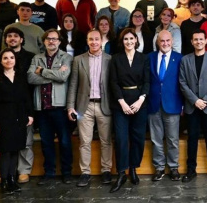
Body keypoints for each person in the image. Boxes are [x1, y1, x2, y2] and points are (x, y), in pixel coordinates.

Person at [67, 29, 114, 188]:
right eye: (91, 39)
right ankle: (85, 172)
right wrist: (70, 107)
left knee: (106, 141)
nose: (94, 42)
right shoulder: (78, 60)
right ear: (87, 41)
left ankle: (106, 170)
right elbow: (73, 85)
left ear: (102, 41)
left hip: (104, 105)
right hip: (83, 107)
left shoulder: (110, 59)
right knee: (84, 142)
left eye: (96, 39)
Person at [27, 29, 73, 185]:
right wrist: (53, 75)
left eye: (54, 39)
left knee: (65, 141)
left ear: (59, 42)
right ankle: (49, 173)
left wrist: (43, 72)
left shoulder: (66, 57)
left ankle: (67, 172)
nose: (51, 41)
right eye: (48, 39)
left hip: (60, 107)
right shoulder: (36, 58)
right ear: (44, 41)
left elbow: (63, 77)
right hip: (42, 108)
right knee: (46, 143)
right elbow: (31, 78)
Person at [0, 49, 34, 194]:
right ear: (0, 61)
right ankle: (4, 181)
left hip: (19, 118)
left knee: (15, 150)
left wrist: (30, 115)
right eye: (5, 58)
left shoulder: (20, 76)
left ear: (15, 60)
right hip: (2, 119)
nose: (9, 60)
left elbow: (26, 97)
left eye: (11, 57)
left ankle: (12, 180)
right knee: (5, 151)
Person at [110, 27, 150, 192]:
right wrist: (122, 103)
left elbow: (148, 81)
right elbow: (112, 82)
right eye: (125, 39)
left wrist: (141, 100)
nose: (129, 42)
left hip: (139, 102)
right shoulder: (116, 58)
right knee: (121, 138)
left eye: (131, 39)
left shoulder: (144, 58)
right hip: (121, 103)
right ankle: (121, 172)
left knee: (138, 138)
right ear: (122, 41)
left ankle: (133, 168)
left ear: (136, 40)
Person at [179, 30, 207, 183]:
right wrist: (195, 100)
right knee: (192, 138)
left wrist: (205, 100)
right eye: (195, 39)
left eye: (201, 39)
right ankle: (191, 170)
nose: (198, 42)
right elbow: (182, 83)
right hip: (192, 106)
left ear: (206, 41)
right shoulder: (185, 60)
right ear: (191, 42)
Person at [0, 27, 35, 183]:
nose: (12, 38)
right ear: (5, 39)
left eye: (16, 36)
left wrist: (30, 112)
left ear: (21, 39)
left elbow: (31, 82)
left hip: (24, 105)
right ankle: (7, 174)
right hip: (5, 111)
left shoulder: (31, 57)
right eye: (9, 36)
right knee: (7, 145)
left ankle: (23, 171)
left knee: (25, 141)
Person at [148, 30, 183, 182]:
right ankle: (159, 168)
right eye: (162, 41)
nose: (165, 43)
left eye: (168, 40)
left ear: (172, 41)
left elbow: (182, 83)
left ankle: (174, 167)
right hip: (153, 103)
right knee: (156, 139)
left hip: (173, 104)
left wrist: (182, 105)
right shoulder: (149, 57)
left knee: (173, 139)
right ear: (157, 42)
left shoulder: (180, 58)